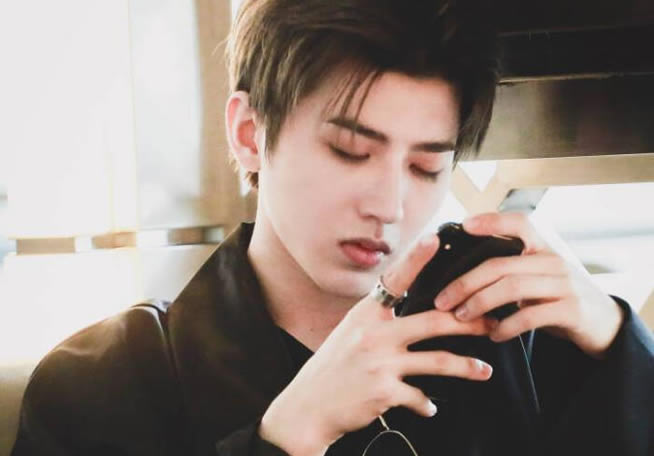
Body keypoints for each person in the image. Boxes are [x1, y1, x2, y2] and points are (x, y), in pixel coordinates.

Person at [12, 0, 654, 455]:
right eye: (350, 152)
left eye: (426, 167)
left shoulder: (517, 341)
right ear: (249, 134)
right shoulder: (104, 384)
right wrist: (283, 439)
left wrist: (619, 344)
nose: (389, 205)